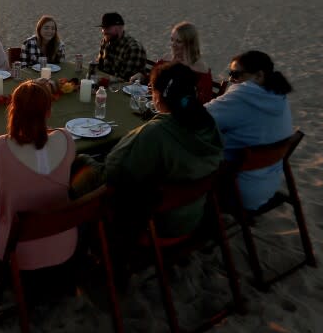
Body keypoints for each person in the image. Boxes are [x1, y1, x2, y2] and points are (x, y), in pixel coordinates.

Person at [74, 63, 223, 240]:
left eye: (152, 89)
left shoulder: (156, 133)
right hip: (191, 217)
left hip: (154, 225)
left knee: (80, 165)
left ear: (158, 96)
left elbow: (111, 172)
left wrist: (83, 159)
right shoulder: (208, 124)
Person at [0, 80, 77, 270]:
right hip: (64, 244)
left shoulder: (2, 147)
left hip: (19, 253)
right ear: (48, 112)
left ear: (13, 113)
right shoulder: (67, 139)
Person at [205, 51, 294, 210]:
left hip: (237, 193)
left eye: (236, 74)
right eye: (230, 74)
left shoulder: (245, 94)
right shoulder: (279, 96)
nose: (232, 80)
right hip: (267, 188)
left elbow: (196, 117)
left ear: (259, 75)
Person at [130, 21, 214, 103]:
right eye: (172, 40)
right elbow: (151, 80)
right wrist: (142, 76)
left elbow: (202, 104)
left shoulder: (200, 70)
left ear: (190, 44)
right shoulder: (168, 59)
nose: (173, 44)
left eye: (178, 41)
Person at [96, 12, 147, 81]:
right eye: (103, 28)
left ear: (120, 28)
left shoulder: (133, 48)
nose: (104, 31)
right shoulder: (107, 40)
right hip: (106, 83)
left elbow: (125, 80)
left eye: (107, 27)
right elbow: (100, 66)